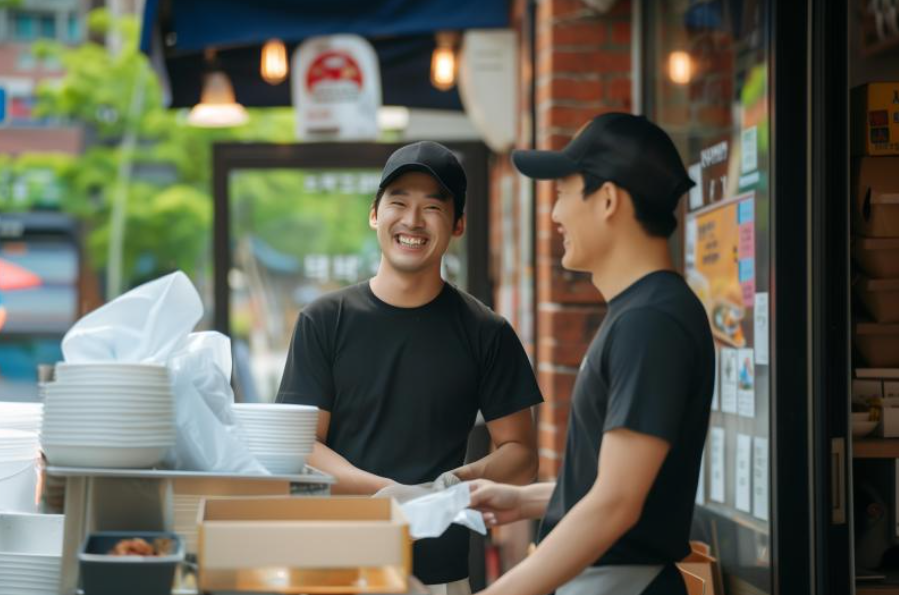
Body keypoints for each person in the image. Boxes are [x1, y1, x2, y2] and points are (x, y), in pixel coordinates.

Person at [277, 141, 544, 595]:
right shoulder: (323, 321)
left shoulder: (486, 331)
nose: (413, 221)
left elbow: (522, 456)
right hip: (333, 564)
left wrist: (449, 485)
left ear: (458, 224)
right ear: (374, 214)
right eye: (398, 203)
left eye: (432, 207)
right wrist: (390, 492)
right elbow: (301, 446)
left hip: (438, 570)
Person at [468, 113, 715, 595]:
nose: (554, 214)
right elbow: (616, 487)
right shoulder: (643, 312)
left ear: (607, 200)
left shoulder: (651, 321)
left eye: (563, 192)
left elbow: (617, 503)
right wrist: (524, 500)